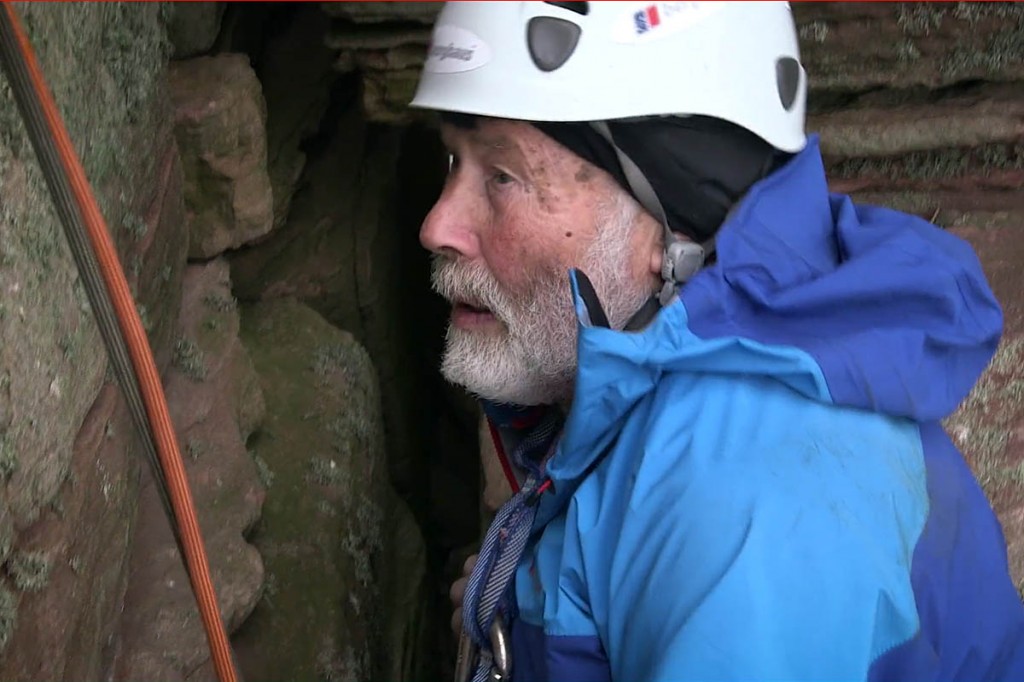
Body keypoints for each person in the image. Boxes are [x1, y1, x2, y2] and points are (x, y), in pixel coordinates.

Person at [410, 2, 1024, 680]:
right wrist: (527, 603)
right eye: (453, 160)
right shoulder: (682, 425)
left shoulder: (746, 517)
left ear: (670, 229)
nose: (437, 225)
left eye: (503, 177)